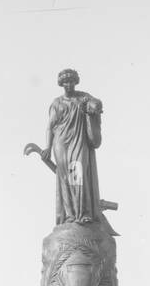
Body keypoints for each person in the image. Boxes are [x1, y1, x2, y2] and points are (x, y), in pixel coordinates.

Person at [41, 69, 105, 226]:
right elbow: (50, 126)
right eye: (65, 82)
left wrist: (93, 107)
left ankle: (82, 213)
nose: (68, 84)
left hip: (79, 141)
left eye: (71, 81)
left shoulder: (83, 98)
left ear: (75, 82)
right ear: (61, 84)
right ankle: (70, 216)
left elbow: (95, 104)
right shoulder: (57, 103)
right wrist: (48, 147)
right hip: (61, 143)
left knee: (77, 174)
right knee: (65, 178)